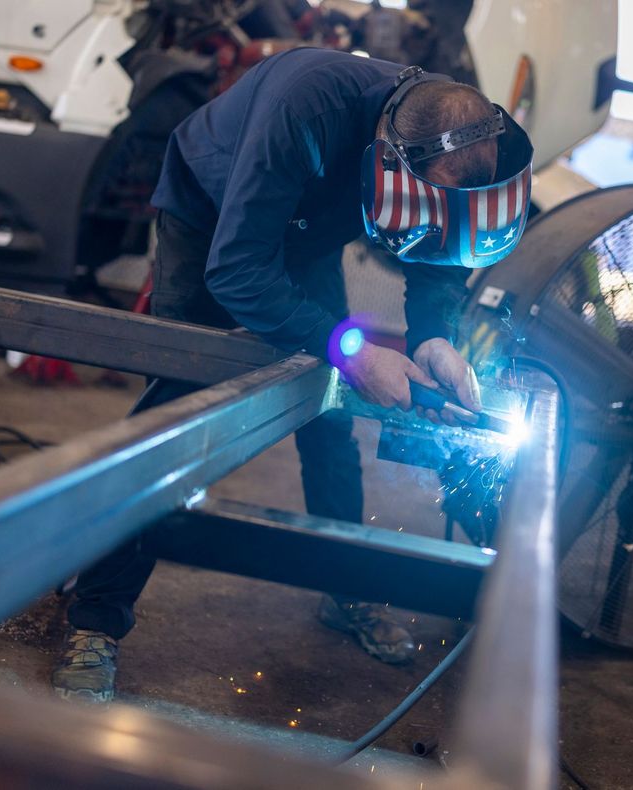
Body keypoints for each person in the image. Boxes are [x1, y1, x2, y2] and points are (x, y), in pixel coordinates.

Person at [51, 48, 533, 702]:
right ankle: (95, 616)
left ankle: (345, 587)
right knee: (185, 410)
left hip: (307, 233)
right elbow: (239, 270)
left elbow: (439, 247)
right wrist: (353, 350)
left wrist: (434, 341)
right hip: (214, 219)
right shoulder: (307, 105)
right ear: (390, 162)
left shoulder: (450, 136)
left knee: (329, 415)